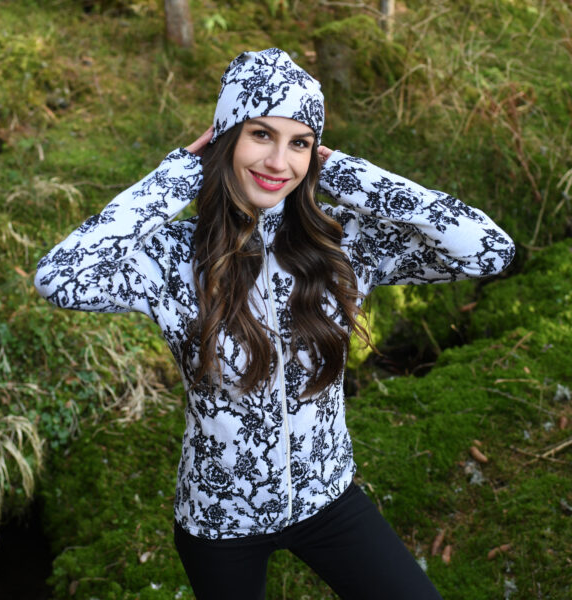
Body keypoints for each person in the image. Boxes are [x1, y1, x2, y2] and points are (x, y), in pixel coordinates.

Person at [35, 48, 515, 599]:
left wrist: (351, 175)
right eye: (261, 134)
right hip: (219, 518)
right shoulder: (171, 257)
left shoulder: (342, 243)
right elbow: (59, 277)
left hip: (327, 498)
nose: (278, 162)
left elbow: (489, 249)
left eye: (300, 143)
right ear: (224, 139)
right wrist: (177, 177)